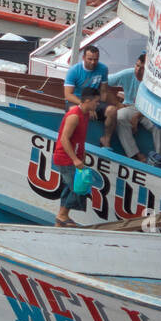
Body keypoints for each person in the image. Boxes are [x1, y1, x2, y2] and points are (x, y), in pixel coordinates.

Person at [54, 87, 98, 227]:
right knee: (79, 187)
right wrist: (75, 159)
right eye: (96, 102)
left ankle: (62, 215)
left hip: (73, 157)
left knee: (69, 187)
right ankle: (62, 215)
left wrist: (81, 155)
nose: (97, 105)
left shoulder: (85, 114)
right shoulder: (74, 116)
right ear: (87, 101)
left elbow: (79, 138)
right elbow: (64, 140)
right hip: (65, 158)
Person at [108, 53, 161, 158]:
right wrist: (116, 102)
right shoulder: (127, 73)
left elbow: (156, 103)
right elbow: (106, 81)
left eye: (142, 68)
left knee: (159, 126)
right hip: (130, 106)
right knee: (120, 116)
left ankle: (159, 157)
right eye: (137, 65)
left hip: (149, 111)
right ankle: (134, 154)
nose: (138, 70)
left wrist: (137, 116)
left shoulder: (155, 80)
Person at [63, 45, 112, 131]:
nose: (93, 62)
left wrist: (99, 104)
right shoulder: (74, 70)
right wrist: (85, 105)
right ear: (83, 58)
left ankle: (106, 138)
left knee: (112, 110)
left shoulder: (103, 69)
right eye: (90, 59)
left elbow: (103, 91)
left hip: (94, 101)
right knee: (75, 111)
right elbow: (68, 95)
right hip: (76, 101)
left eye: (96, 59)